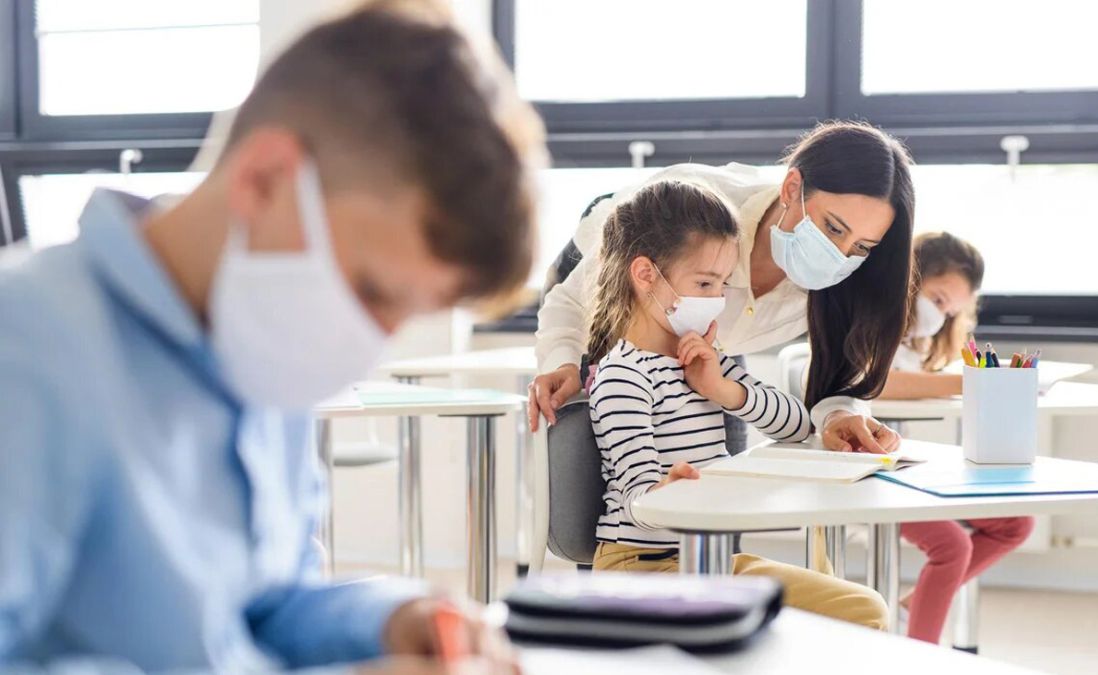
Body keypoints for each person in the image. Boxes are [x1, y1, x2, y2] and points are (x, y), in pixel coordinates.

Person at [0, 2, 545, 673]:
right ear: (263, 181)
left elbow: (258, 609)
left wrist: (386, 621)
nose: (371, 343)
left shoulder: (258, 348)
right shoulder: (27, 347)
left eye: (405, 314)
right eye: (372, 291)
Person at [587, 180, 888, 629]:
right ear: (646, 274)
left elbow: (799, 426)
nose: (716, 299)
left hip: (707, 557)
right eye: (705, 282)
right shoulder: (623, 376)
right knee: (839, 621)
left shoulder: (709, 357)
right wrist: (670, 491)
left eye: (723, 284)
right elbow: (636, 500)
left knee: (865, 609)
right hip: (641, 566)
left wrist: (725, 390)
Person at [530, 121, 916, 455]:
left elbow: (831, 383)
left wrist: (840, 414)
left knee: (717, 458)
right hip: (606, 266)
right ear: (791, 188)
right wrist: (563, 362)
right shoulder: (700, 212)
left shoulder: (845, 277)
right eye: (833, 227)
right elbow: (568, 301)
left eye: (862, 246)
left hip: (704, 343)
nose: (839, 255)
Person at [877, 232, 1034, 642]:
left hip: (904, 465)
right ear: (908, 277)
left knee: (1016, 523)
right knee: (953, 547)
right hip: (868, 468)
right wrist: (963, 383)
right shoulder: (871, 320)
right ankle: (921, 651)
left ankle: (917, 605)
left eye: (951, 310)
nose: (941, 314)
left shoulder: (915, 342)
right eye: (939, 298)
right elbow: (876, 385)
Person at [879, 231, 984, 400]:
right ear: (910, 277)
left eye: (949, 313)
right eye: (938, 300)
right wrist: (976, 383)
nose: (939, 318)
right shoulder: (869, 325)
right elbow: (873, 383)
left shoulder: (915, 346)